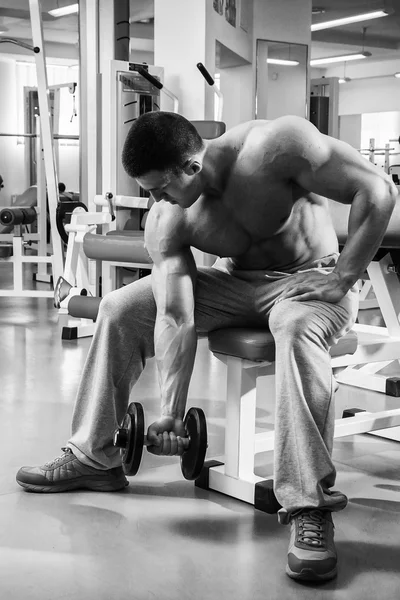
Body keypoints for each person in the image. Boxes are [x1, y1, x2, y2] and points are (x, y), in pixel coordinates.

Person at [16, 112, 397, 582]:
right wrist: (172, 412)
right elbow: (176, 315)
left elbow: (378, 190)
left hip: (310, 279)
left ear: (192, 168)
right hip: (237, 281)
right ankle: (94, 456)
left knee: (294, 327)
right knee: (120, 307)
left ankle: (309, 507)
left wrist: (343, 276)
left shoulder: (276, 146)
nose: (154, 201)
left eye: (160, 188)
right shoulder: (169, 217)